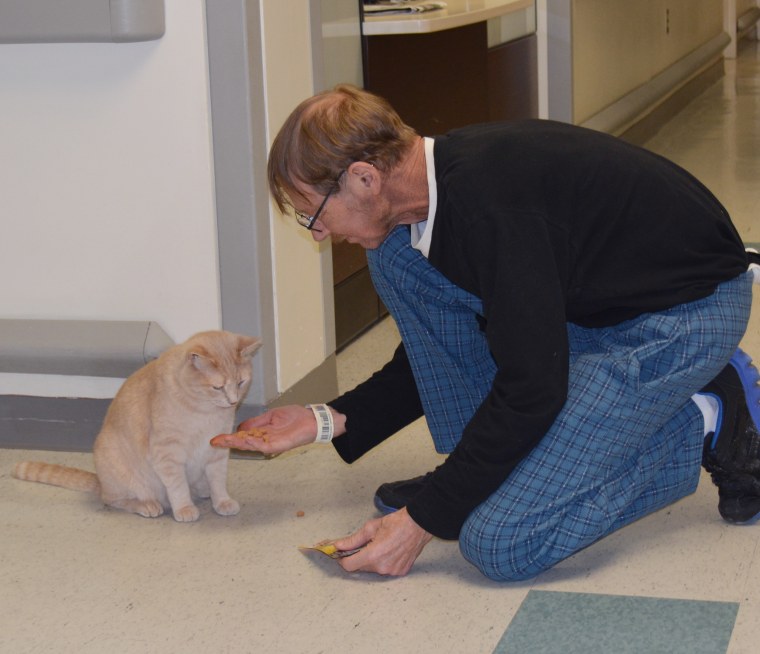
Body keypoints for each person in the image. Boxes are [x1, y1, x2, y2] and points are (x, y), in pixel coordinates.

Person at [213, 84, 760, 581]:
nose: (320, 235)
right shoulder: (435, 199)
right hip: (593, 312)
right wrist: (322, 420)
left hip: (678, 320)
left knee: (502, 542)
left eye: (314, 214)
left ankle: (707, 413)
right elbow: (459, 346)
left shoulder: (493, 211)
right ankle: (488, 470)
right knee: (395, 259)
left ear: (363, 177)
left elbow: (531, 388)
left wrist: (423, 521)